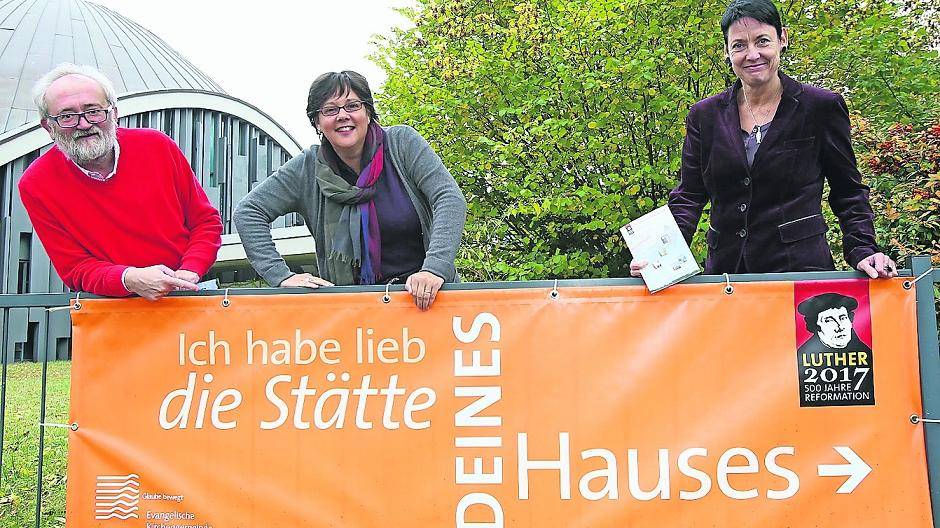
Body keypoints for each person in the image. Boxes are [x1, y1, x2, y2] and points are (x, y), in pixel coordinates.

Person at [631, 0, 896, 279]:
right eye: (739, 45)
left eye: (762, 41)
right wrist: (657, 260)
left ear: (782, 39)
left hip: (800, 274)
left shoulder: (820, 107)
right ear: (727, 51)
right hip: (727, 276)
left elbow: (848, 190)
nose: (752, 54)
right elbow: (689, 196)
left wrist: (863, 249)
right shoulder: (704, 116)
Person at [234, 71, 466, 311]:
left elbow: (448, 198)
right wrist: (281, 276)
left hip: (425, 302)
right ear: (317, 122)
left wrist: (434, 269)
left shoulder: (402, 144)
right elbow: (249, 212)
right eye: (330, 110)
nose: (343, 116)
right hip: (353, 316)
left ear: (367, 112)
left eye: (352, 105)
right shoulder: (307, 167)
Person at [18, 63, 223, 300]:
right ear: (48, 127)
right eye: (67, 116)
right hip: (113, 308)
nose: (83, 124)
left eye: (93, 110)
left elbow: (205, 222)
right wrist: (128, 279)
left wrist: (189, 271)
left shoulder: (158, 147)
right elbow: (74, 268)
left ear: (114, 113)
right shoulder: (36, 184)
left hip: (185, 294)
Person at [796, 293, 872, 355]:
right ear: (816, 326)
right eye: (829, 321)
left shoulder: (867, 354)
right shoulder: (802, 356)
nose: (840, 327)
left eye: (843, 318)